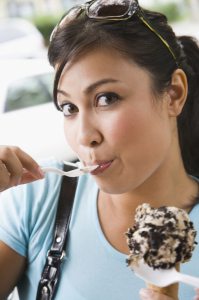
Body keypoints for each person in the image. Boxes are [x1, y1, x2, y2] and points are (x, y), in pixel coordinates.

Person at [0, 0, 199, 299]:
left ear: (174, 94)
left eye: (106, 98)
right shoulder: (41, 197)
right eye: (68, 107)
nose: (84, 136)